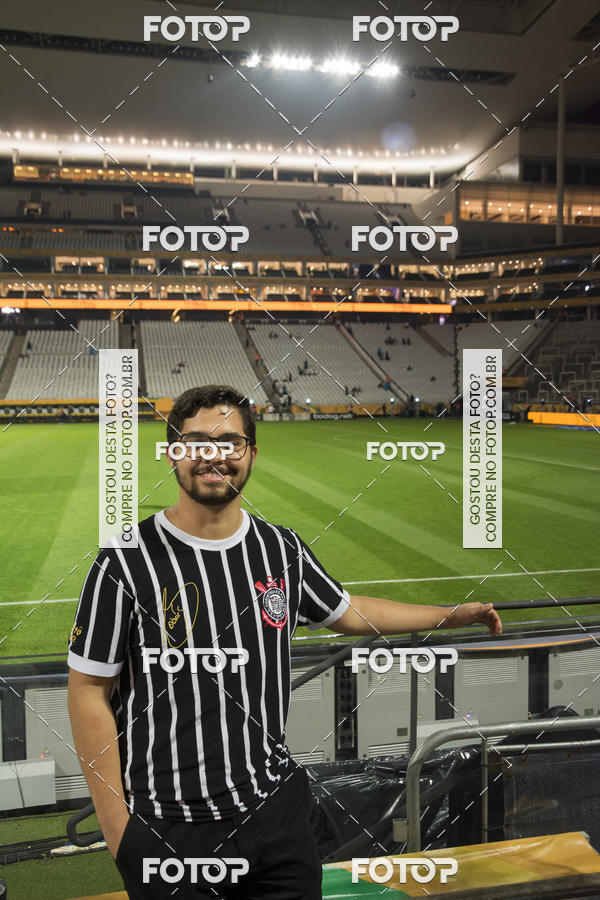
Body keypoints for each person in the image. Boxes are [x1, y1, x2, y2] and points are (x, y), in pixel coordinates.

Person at [68, 385, 501, 900]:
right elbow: (88, 690)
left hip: (275, 818)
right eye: (197, 441)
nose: (213, 455)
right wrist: (119, 830)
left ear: (251, 453)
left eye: (229, 442)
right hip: (170, 829)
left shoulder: (281, 548)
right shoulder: (124, 560)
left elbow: (348, 611)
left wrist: (450, 615)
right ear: (172, 453)